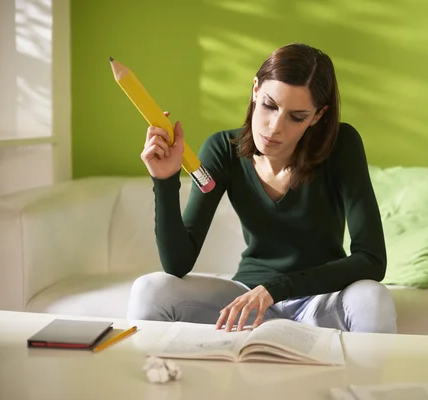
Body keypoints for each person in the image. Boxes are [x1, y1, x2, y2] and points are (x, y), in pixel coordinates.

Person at [127, 43, 398, 334]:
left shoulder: (341, 145)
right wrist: (165, 180)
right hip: (247, 298)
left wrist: (275, 288)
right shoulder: (222, 150)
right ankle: (156, 379)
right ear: (255, 89)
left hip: (319, 299)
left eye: (297, 117)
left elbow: (371, 260)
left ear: (318, 116)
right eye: (270, 105)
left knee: (373, 297)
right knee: (150, 289)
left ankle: (361, 383)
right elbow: (177, 263)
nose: (275, 127)